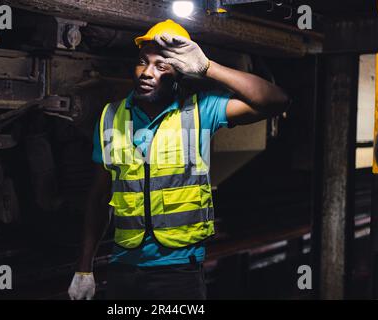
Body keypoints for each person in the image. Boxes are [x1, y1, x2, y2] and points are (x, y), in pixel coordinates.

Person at [68, 19, 289, 300]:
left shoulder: (200, 111)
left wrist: (209, 67)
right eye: (142, 62)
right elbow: (99, 197)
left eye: (161, 66)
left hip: (178, 275)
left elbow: (276, 100)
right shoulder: (111, 115)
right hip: (123, 268)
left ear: (180, 74)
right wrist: (84, 268)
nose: (147, 73)